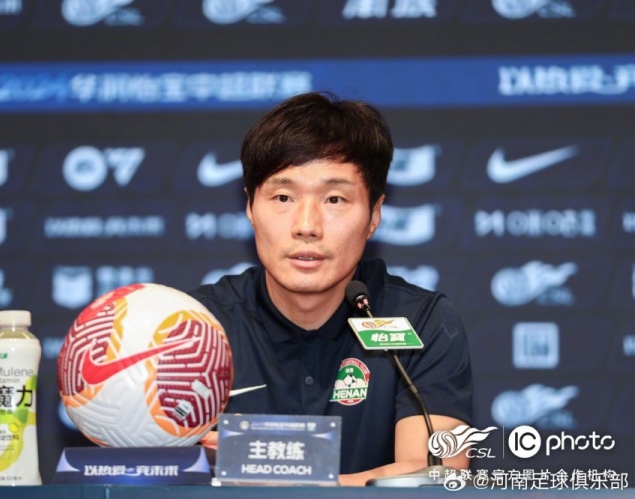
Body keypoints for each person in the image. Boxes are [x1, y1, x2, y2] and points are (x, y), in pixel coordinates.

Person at [189, 91, 472, 487]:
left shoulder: (421, 322)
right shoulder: (195, 326)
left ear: (374, 215)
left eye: (335, 199)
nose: (307, 226)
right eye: (283, 197)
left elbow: (435, 475)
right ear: (250, 207)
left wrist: (278, 479)